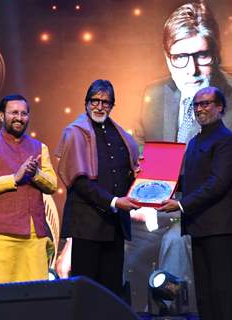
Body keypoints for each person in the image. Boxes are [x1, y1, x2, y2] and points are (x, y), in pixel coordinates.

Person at [129, 1, 232, 309]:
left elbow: (222, 183)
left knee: (175, 244)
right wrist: (143, 194)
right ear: (167, 58)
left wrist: (169, 208)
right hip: (156, 208)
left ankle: (177, 314)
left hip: (206, 214)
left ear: (215, 55)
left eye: (201, 56)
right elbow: (142, 150)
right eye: (179, 57)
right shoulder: (155, 95)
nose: (190, 70)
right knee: (116, 240)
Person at [160, 86, 232, 320]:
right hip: (199, 227)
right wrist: (161, 184)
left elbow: (218, 183)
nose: (200, 109)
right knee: (204, 293)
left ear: (220, 108)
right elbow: (192, 181)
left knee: (222, 291)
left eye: (206, 104)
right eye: (196, 105)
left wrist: (181, 205)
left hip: (220, 228)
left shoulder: (226, 141)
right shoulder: (195, 142)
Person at [55, 79, 140, 297]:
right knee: (87, 292)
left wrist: (140, 180)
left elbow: (127, 174)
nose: (100, 106)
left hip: (115, 226)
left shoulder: (121, 136)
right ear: (86, 102)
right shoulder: (75, 132)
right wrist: (113, 202)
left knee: (111, 292)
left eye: (106, 102)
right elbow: (79, 181)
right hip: (87, 225)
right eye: (95, 101)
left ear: (112, 106)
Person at [0, 94, 57, 284]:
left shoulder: (40, 147)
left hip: (34, 237)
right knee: (0, 298)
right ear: (1, 116)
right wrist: (14, 178)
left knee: (35, 296)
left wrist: (36, 174)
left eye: (24, 113)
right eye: (14, 112)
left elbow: (52, 185)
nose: (19, 117)